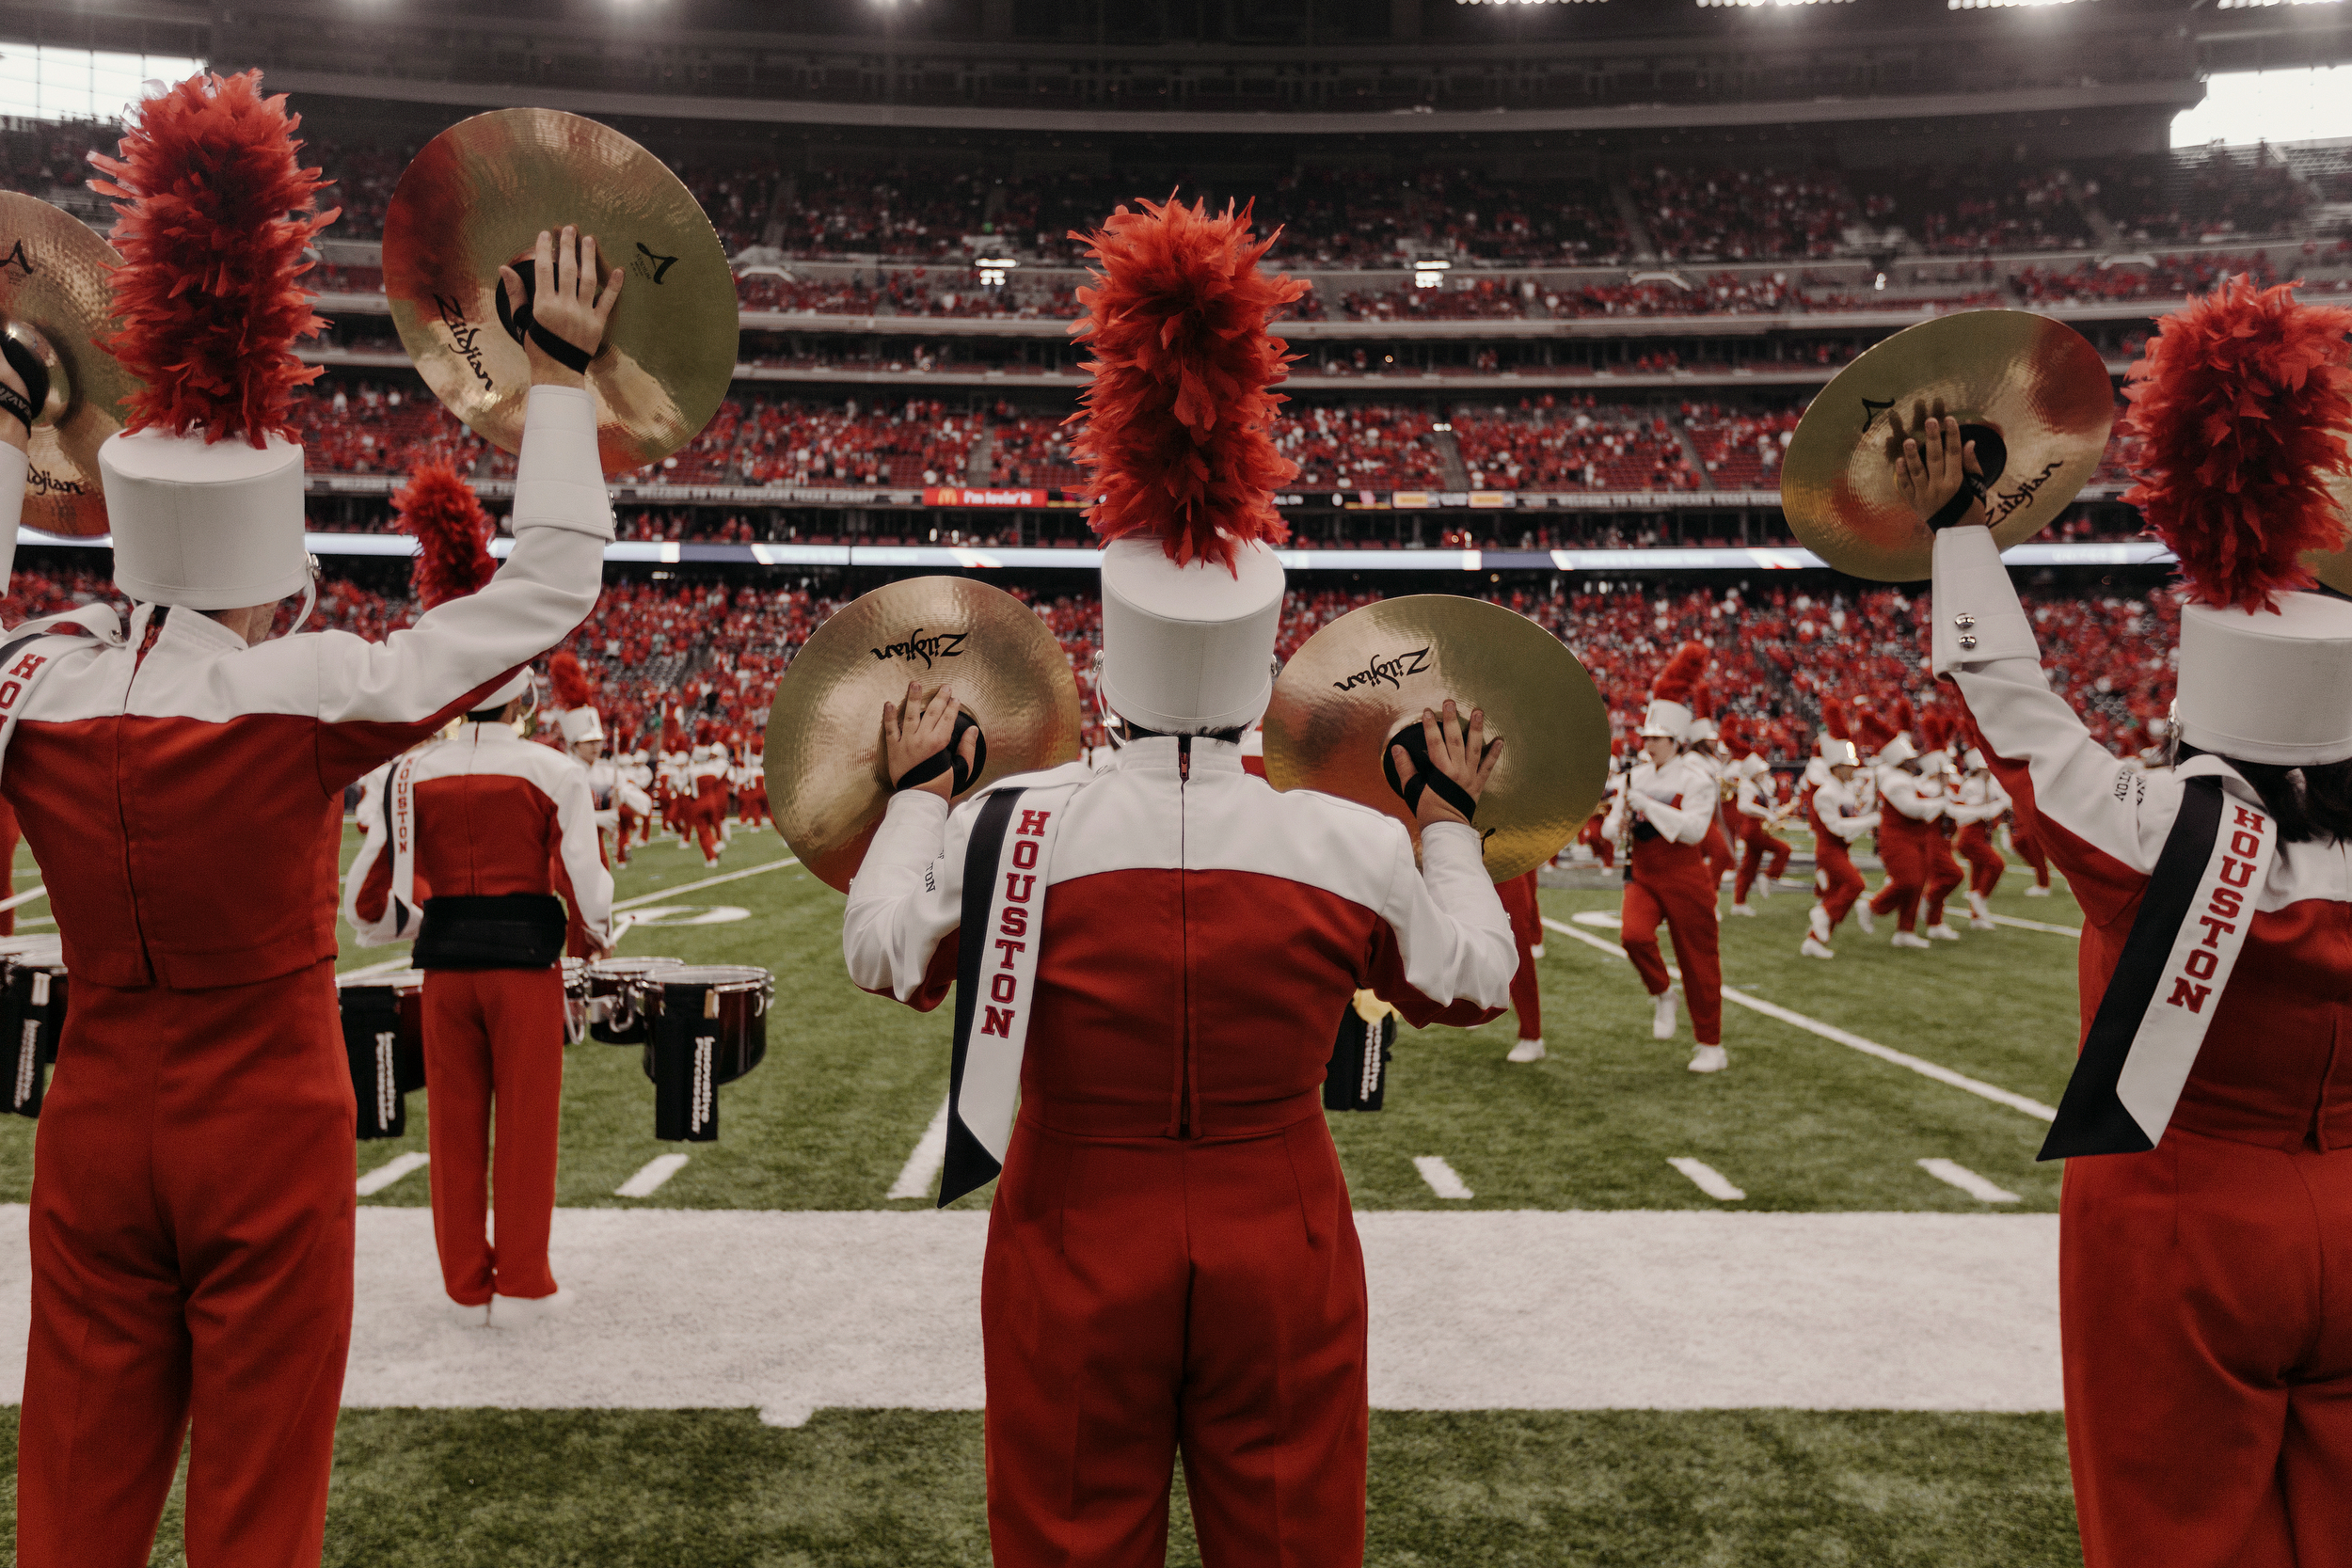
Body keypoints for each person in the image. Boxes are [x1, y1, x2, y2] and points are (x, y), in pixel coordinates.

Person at [1, 71, 619, 1568]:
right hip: (265, 1122)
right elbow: (549, 588)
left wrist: (10, 442)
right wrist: (554, 382)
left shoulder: (32, 684)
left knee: (73, 1489)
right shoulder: (303, 683)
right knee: (258, 1493)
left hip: (92, 1117)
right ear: (273, 564)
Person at [841, 195, 1516, 1567]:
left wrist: (918, 793)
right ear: (1267, 669)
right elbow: (1474, 977)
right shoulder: (1350, 837)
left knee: (1070, 1533)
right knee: (1290, 1539)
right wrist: (1447, 817)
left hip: (1074, 1223)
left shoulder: (1017, 818)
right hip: (1286, 1223)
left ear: (1107, 664)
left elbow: (884, 953)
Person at [1903, 273, 2352, 1568]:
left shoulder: (2155, 833)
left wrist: (1962, 529)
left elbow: (2013, 706)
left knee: (2177, 1529)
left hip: (2181, 1217)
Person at [345, 675, 612, 1326]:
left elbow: (365, 900)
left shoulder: (405, 774)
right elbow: (587, 883)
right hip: (524, 970)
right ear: (521, 703)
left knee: (453, 1128)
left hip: (444, 969)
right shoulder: (551, 769)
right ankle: (523, 1282)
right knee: (526, 1127)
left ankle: (464, 1286)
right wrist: (589, 940)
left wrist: (416, 925)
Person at [1602, 641, 1726, 1071]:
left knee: (1698, 960)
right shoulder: (1634, 774)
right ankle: (1661, 993)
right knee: (1633, 936)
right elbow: (1607, 829)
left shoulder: (1698, 777)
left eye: (1656, 739)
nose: (1648, 744)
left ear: (1675, 741)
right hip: (1644, 872)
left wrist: (1646, 804)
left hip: (1686, 876)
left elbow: (1693, 830)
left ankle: (1710, 1043)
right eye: (1646, 737)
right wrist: (1618, 819)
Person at [1799, 698, 1879, 960]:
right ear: (1835, 767)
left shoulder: (1843, 790)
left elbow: (1853, 819)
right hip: (1829, 850)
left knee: (1836, 894)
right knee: (1855, 884)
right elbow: (1839, 828)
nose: (1852, 770)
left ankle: (1814, 940)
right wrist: (1871, 820)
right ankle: (1820, 915)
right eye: (1848, 766)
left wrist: (1871, 808)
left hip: (1841, 850)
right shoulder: (1825, 793)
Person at [1861, 701, 1942, 950]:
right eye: (1910, 759)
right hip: (1898, 837)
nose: (1915, 762)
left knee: (1918, 882)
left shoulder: (1905, 778)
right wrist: (1940, 804)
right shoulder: (1896, 781)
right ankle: (1872, 906)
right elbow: (1912, 809)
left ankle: (1905, 930)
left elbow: (1925, 794)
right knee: (1907, 880)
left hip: (1913, 836)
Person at [1949, 738, 2011, 930]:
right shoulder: (1971, 784)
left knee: (1977, 874)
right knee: (1996, 864)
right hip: (1971, 835)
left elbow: (2004, 799)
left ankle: (1976, 918)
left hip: (1985, 833)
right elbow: (1970, 807)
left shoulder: (1991, 783)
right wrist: (1988, 801)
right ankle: (1980, 896)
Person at [1727, 742, 1790, 916]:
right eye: (1761, 771)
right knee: (1784, 849)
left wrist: (1774, 813)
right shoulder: (1748, 786)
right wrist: (1765, 814)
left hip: (1755, 829)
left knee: (1748, 867)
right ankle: (1769, 875)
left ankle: (1739, 903)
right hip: (1752, 830)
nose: (1764, 774)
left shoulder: (1758, 785)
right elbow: (1743, 806)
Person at [1497, 866, 1546, 1062]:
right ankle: (1469, 1003)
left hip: (1506, 860)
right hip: (1464, 855)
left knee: (1517, 947)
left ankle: (1532, 1035)